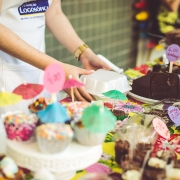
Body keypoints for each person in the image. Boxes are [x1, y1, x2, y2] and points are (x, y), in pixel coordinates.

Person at [0, 0, 111, 114]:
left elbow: (54, 13)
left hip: (41, 70)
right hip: (5, 77)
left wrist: (85, 54)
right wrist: (54, 67)